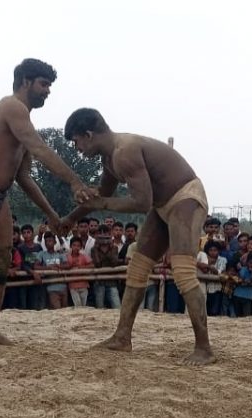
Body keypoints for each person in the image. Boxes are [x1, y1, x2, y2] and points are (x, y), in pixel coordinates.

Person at [0, 58, 96, 354]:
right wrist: (75, 182)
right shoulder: (11, 106)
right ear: (26, 81)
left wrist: (52, 215)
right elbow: (40, 149)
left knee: (0, 263)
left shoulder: (23, 123)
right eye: (44, 84)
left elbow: (24, 178)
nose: (48, 91)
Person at [59, 108, 216, 364]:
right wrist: (69, 219)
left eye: (76, 141)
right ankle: (122, 337)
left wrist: (102, 204)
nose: (77, 148)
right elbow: (103, 196)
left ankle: (204, 348)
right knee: (138, 268)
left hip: (186, 197)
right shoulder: (109, 159)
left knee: (184, 272)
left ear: (88, 135)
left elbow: (141, 203)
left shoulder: (125, 151)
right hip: (162, 205)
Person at [36, 232, 69, 309]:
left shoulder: (60, 253)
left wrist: (59, 266)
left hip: (63, 286)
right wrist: (49, 267)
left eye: (50, 240)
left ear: (55, 242)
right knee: (57, 309)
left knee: (65, 309)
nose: (48, 243)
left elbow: (67, 265)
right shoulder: (42, 254)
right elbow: (36, 266)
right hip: (51, 287)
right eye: (46, 241)